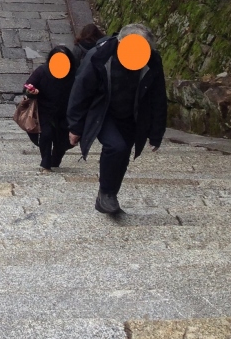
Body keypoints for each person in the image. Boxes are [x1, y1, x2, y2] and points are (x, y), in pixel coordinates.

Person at [66, 22, 167, 215]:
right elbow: (81, 90)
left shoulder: (152, 60)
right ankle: (105, 192)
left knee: (123, 155)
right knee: (115, 147)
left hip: (132, 114)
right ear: (121, 43)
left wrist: (156, 132)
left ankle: (110, 195)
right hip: (104, 112)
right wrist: (75, 127)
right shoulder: (100, 55)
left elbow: (158, 96)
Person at [22, 46, 76, 171]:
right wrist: (32, 92)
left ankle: (55, 160)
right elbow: (27, 88)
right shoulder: (42, 71)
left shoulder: (74, 74)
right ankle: (45, 163)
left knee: (62, 140)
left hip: (65, 112)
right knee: (46, 134)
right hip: (44, 111)